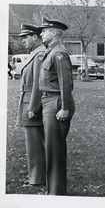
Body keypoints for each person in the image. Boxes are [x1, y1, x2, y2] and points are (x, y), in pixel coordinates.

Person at [38, 17, 75, 195]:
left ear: (54, 33)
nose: (41, 33)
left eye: (44, 30)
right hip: (49, 102)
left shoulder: (59, 53)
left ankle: (56, 192)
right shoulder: (51, 51)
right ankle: (52, 188)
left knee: (55, 149)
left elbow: (65, 83)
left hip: (56, 103)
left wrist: (65, 107)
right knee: (51, 148)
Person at [16, 24, 46, 186]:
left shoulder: (40, 54)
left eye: (26, 37)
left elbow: (37, 85)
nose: (23, 41)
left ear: (35, 37)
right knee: (33, 142)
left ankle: (37, 178)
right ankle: (35, 175)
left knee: (35, 143)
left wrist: (33, 108)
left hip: (32, 105)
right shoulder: (35, 54)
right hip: (28, 102)